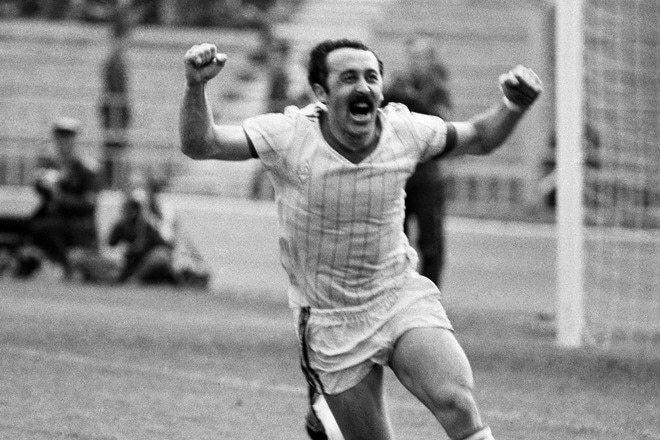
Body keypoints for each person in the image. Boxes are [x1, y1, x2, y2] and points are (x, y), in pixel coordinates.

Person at [179, 39, 542, 440]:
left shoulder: (404, 130)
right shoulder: (288, 136)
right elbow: (202, 144)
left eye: (371, 77)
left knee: (457, 402)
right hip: (330, 318)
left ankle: (329, 414)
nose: (364, 87)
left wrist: (513, 106)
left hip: (397, 295)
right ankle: (326, 413)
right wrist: (196, 85)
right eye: (349, 78)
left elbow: (479, 137)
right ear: (321, 92)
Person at [383, 35, 453, 287]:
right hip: (398, 170)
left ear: (431, 59)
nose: (416, 62)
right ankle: (395, 292)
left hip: (426, 173)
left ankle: (431, 293)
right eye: (413, 56)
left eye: (422, 56)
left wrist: (409, 101)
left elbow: (441, 122)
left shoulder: (437, 88)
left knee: (431, 241)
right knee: (394, 241)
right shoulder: (397, 83)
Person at [30, 117, 101, 279]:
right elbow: (40, 190)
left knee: (51, 227)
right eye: (60, 137)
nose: (64, 142)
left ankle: (70, 266)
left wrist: (59, 196)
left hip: (78, 221)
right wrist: (45, 183)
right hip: (55, 220)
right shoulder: (48, 165)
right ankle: (63, 264)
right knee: (40, 226)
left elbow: (88, 204)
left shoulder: (87, 168)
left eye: (68, 138)